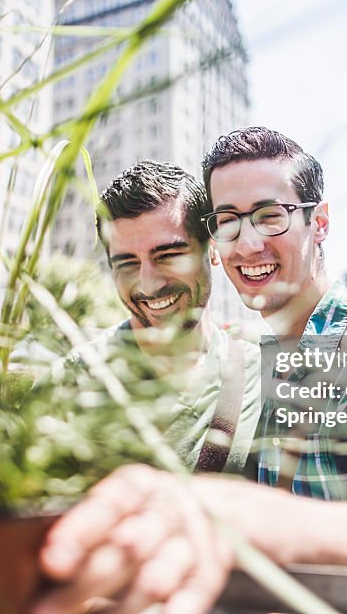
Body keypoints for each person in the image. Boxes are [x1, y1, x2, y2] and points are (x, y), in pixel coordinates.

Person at [34, 130, 347, 614]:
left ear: (318, 222)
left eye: (270, 217)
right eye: (228, 222)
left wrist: (207, 507)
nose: (250, 242)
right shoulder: (268, 360)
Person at [62, 160, 262, 474]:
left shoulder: (265, 376)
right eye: (127, 263)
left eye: (168, 255)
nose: (149, 283)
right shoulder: (72, 382)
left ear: (212, 249)